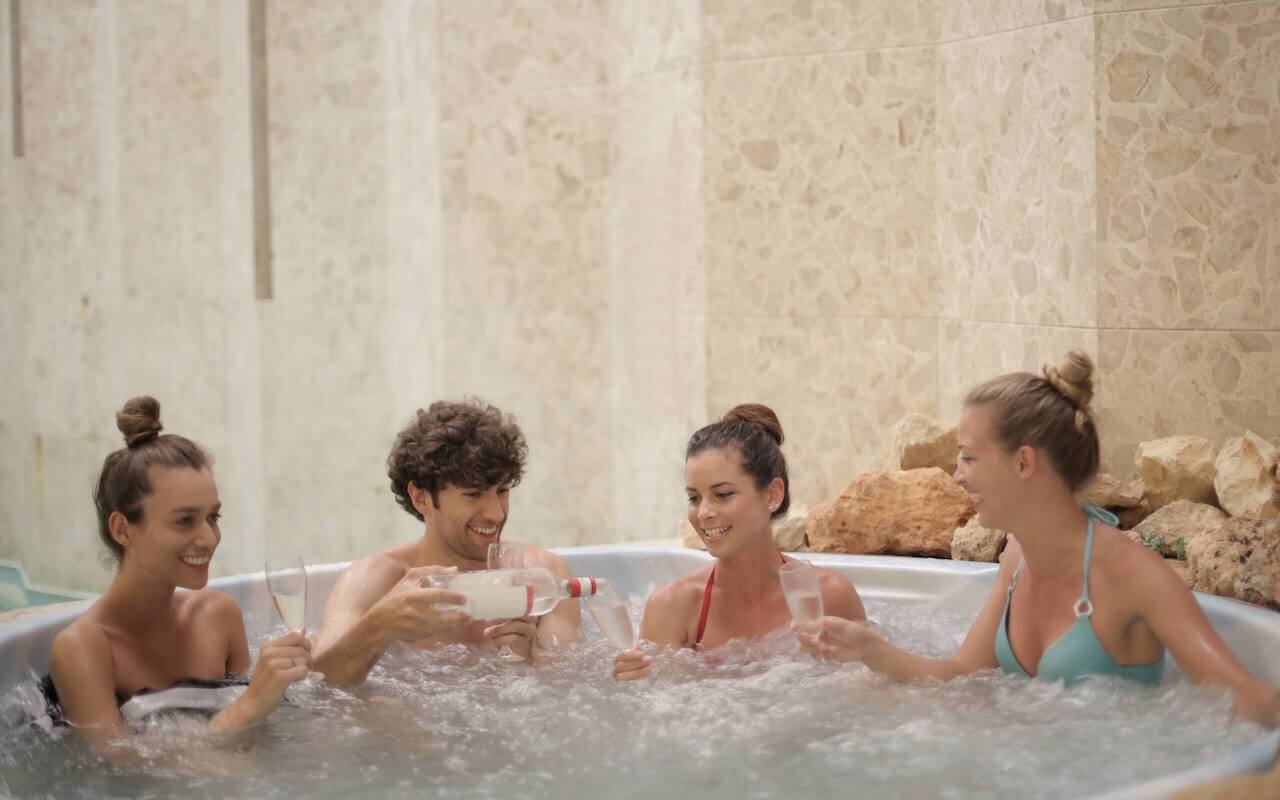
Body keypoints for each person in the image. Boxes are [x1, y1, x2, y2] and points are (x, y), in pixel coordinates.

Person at [799, 352, 1280, 724]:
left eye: (968, 457)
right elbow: (965, 673)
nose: (956, 476)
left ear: (1024, 463)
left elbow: (1241, 696)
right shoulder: (1016, 557)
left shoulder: (1131, 574)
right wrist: (872, 651)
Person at [46, 397, 310, 741]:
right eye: (184, 521)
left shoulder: (219, 616)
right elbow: (116, 769)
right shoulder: (83, 648)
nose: (209, 538)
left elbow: (258, 740)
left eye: (213, 517)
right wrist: (249, 706)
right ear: (123, 529)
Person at [313, 399, 580, 687]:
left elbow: (572, 694)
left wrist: (525, 665)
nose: (496, 513)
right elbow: (317, 684)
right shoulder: (374, 581)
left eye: (502, 491)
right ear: (421, 498)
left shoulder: (544, 575)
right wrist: (380, 626)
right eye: (473, 494)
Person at [613, 404, 866, 681]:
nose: (704, 512)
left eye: (722, 494)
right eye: (694, 498)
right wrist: (632, 681)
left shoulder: (829, 596)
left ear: (772, 494)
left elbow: (866, 696)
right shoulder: (673, 606)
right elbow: (658, 712)